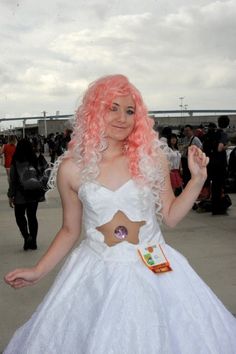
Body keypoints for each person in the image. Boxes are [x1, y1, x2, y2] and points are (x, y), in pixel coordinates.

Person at [3, 75, 236, 354]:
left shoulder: (151, 158)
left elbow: (171, 216)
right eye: (112, 108)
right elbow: (69, 230)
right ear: (94, 111)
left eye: (129, 111)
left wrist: (197, 180)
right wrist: (38, 271)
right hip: (95, 273)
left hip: (155, 270)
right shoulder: (72, 168)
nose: (122, 118)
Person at [7, 139, 45, 251]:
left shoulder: (16, 161)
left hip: (20, 195)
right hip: (34, 193)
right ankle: (33, 241)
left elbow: (13, 180)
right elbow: (42, 175)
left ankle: (26, 237)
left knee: (19, 217)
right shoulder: (35, 159)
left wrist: (11, 195)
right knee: (32, 217)